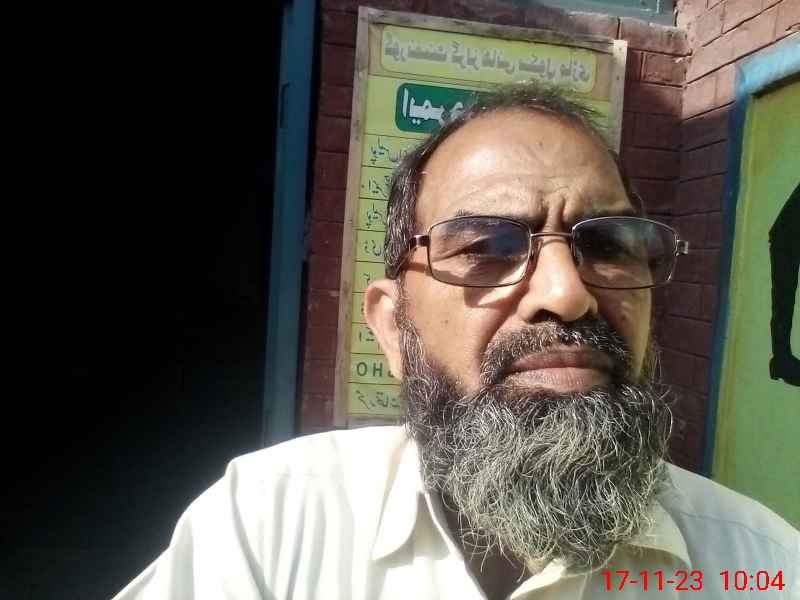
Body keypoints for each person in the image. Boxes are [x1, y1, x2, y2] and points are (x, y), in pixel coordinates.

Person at [114, 85, 799, 600]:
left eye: (610, 244)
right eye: (487, 246)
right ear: (393, 326)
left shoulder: (762, 567)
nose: (565, 293)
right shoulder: (271, 523)